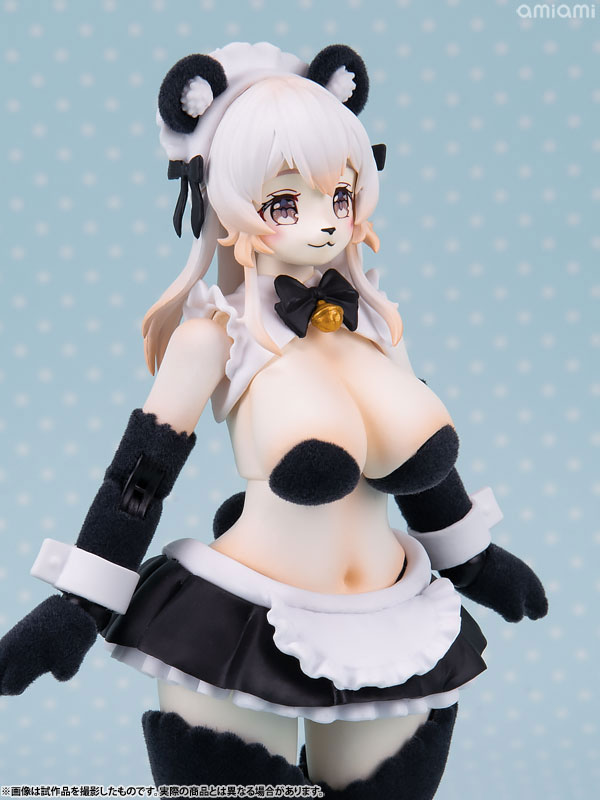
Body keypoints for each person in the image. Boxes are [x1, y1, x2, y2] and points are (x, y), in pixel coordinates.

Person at [0, 42, 548, 798]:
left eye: (341, 197)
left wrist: (471, 559)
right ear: (227, 204)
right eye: (286, 203)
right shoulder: (214, 336)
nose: (324, 224)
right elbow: (139, 480)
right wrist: (80, 604)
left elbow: (421, 470)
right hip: (240, 622)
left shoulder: (378, 323)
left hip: (394, 621)